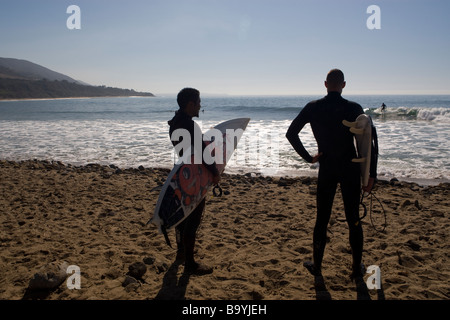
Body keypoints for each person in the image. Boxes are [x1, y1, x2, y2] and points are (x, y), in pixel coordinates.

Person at [286, 69, 377, 283]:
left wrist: (309, 158)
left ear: (325, 84)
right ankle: (356, 269)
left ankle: (317, 267)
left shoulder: (313, 107)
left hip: (327, 167)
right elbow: (369, 143)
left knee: (322, 219)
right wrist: (370, 174)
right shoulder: (354, 108)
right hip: (350, 168)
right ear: (343, 85)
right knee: (353, 218)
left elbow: (291, 134)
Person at [167, 87, 220, 275]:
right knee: (192, 221)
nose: (200, 105)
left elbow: (188, 151)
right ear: (190, 104)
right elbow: (203, 154)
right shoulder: (190, 125)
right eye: (198, 102)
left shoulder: (174, 123)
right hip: (196, 177)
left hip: (183, 175)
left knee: (183, 217)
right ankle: (190, 264)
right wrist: (214, 173)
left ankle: (181, 253)